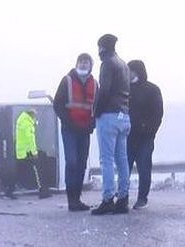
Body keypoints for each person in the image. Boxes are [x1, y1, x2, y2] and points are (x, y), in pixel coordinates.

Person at [91, 34, 131, 216]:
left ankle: (108, 199)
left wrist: (96, 112)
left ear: (101, 48)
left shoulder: (107, 63)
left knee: (106, 159)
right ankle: (123, 198)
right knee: (122, 159)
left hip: (109, 115)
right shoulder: (123, 64)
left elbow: (104, 91)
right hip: (124, 116)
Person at [53, 53, 97, 211]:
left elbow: (96, 108)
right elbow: (58, 104)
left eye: (86, 62)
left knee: (81, 165)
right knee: (72, 162)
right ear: (77, 63)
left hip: (85, 131)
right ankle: (71, 200)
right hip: (70, 130)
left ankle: (77, 200)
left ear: (90, 65)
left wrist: (92, 123)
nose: (83, 64)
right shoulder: (67, 81)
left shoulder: (95, 83)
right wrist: (67, 121)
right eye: (81, 61)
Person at [127, 60, 163, 210]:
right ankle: (123, 196)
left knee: (144, 167)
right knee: (125, 167)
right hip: (127, 137)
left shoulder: (152, 89)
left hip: (145, 138)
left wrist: (150, 131)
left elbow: (158, 113)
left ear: (137, 71)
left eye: (130, 70)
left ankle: (142, 198)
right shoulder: (125, 89)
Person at [5, 110, 52, 199]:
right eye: (35, 115)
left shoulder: (21, 121)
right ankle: (42, 191)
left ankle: (9, 191)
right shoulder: (27, 123)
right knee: (38, 169)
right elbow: (30, 139)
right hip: (27, 152)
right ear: (31, 115)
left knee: (18, 171)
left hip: (21, 152)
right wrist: (34, 153)